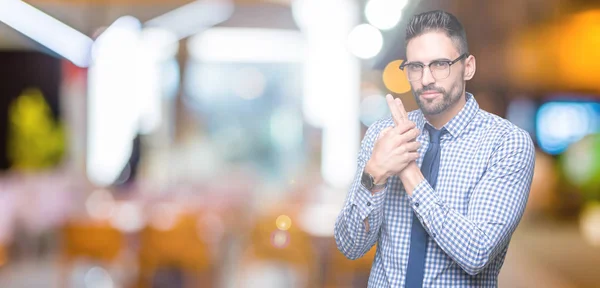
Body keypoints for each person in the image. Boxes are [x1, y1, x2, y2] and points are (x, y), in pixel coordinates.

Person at [334, 10, 535, 287]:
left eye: (440, 64)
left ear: (468, 67)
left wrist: (409, 172)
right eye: (415, 66)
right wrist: (373, 176)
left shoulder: (506, 143)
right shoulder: (383, 137)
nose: (426, 78)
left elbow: (476, 252)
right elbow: (350, 246)